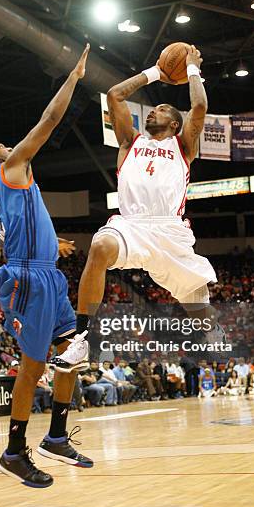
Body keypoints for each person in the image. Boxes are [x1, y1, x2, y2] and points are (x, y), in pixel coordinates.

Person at [0, 44, 92, 488]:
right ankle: (13, 451)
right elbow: (49, 121)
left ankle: (57, 436)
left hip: (44, 271)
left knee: (72, 354)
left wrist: (50, 242)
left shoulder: (6, 190)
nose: (8, 145)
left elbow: (20, 224)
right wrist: (74, 77)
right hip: (26, 278)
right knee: (32, 367)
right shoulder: (11, 169)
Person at [52, 45, 217, 371]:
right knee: (99, 246)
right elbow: (114, 95)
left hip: (169, 231)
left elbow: (198, 105)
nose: (153, 111)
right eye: (153, 109)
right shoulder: (130, 141)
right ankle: (81, 341)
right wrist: (157, 71)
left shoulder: (183, 146)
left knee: (201, 312)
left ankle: (214, 331)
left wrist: (193, 68)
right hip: (130, 225)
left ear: (175, 124)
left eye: (162, 110)